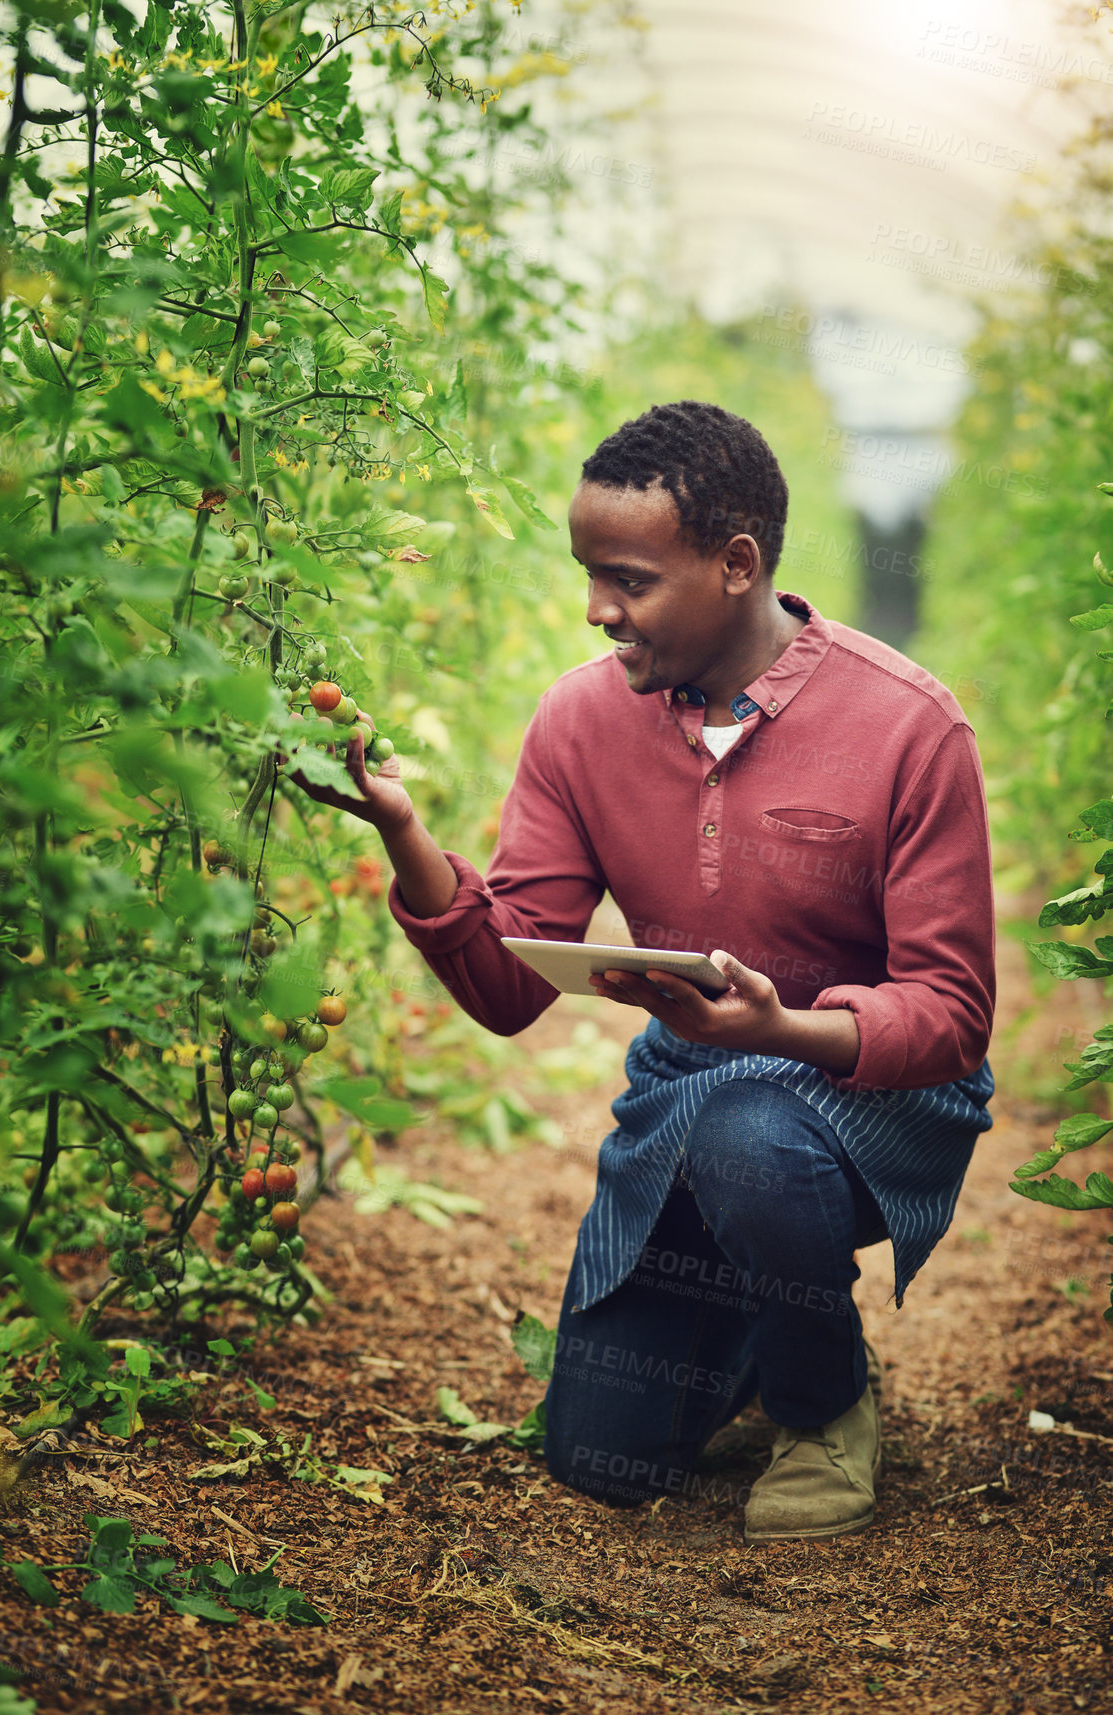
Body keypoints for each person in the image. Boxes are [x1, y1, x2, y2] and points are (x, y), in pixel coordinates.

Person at [284, 400, 996, 1542]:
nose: (596, 609)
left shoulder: (910, 727)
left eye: (627, 579)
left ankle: (825, 1408)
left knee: (751, 1137)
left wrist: (780, 1034)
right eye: (589, 573)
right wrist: (406, 836)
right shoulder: (581, 721)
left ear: (736, 564)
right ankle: (775, 1308)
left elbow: (953, 1016)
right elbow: (511, 986)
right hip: (691, 1103)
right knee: (602, 1452)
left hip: (874, 1103)